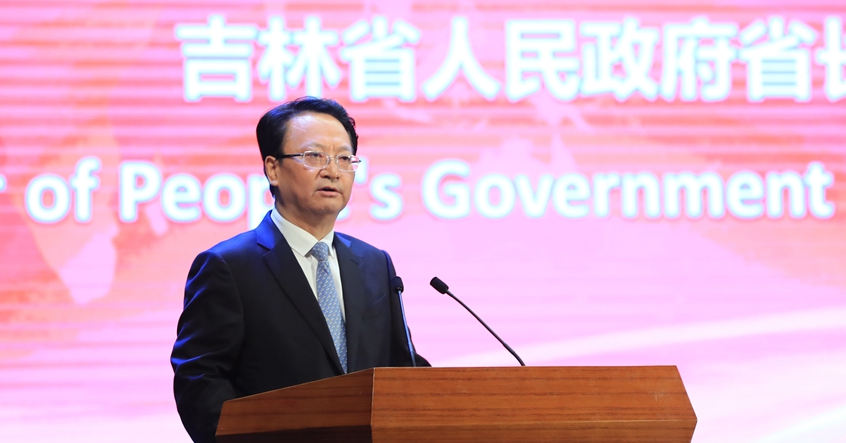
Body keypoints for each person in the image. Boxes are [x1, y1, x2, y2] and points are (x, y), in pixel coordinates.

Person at [171, 97, 428, 443]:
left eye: (344, 158)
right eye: (314, 156)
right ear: (273, 169)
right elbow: (200, 379)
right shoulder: (228, 266)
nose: (333, 171)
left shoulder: (373, 263)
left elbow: (403, 367)